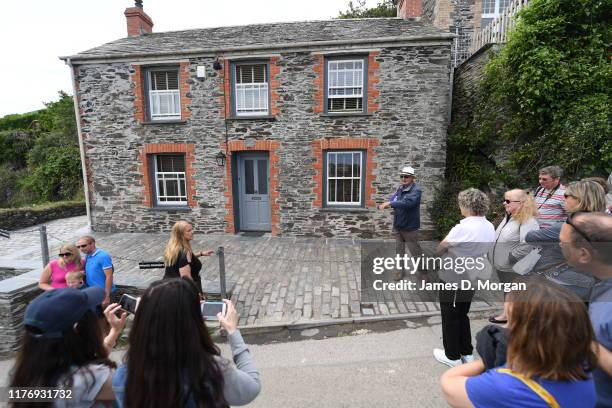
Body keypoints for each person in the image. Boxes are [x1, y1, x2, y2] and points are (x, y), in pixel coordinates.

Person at [440, 279, 597, 408]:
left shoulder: (508, 385)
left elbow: (449, 384)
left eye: (510, 321)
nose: (504, 328)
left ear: (524, 333)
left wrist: (497, 353)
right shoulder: (584, 364)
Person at [112, 278, 261, 407]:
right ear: (193, 322)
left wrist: (149, 319)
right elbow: (252, 387)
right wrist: (233, 331)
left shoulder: (124, 376)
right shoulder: (212, 371)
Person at [9, 287, 127, 407]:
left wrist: (114, 333)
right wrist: (144, 323)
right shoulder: (92, 379)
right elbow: (139, 390)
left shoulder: (28, 374)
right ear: (78, 329)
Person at [434, 188, 495, 367]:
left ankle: (452, 356)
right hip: (473, 274)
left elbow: (440, 248)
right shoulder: (489, 225)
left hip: (454, 276)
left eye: (461, 204)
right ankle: (466, 352)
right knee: (462, 313)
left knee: (450, 314)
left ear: (467, 205)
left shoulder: (463, 227)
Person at [559, 212, 612, 407]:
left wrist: (586, 340)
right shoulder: (602, 285)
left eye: (562, 243)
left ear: (584, 254)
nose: (559, 247)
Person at [526, 180, 605, 300]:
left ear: (580, 199)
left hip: (563, 282)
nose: (564, 199)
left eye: (567, 196)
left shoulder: (570, 226)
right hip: (588, 282)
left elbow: (530, 237)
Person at [489, 189, 539, 323]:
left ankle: (515, 321)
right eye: (504, 200)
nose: (504, 203)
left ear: (521, 203)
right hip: (504, 266)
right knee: (508, 292)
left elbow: (529, 243)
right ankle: (507, 315)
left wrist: (511, 257)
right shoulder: (509, 217)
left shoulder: (527, 220)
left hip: (514, 267)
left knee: (515, 294)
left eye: (508, 201)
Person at [378, 165, 424, 280]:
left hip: (410, 227)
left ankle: (423, 273)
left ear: (412, 178)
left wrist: (390, 204)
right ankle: (400, 271)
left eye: (406, 176)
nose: (403, 178)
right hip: (398, 226)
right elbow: (394, 199)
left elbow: (407, 203)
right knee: (399, 251)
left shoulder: (416, 190)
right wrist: (388, 202)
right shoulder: (400, 188)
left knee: (415, 252)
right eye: (402, 176)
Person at [163, 221, 213, 295]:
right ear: (180, 235)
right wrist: (197, 294)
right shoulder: (184, 253)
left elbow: (185, 260)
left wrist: (201, 253)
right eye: (189, 231)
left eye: (192, 229)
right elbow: (187, 280)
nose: (192, 232)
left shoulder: (174, 248)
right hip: (180, 292)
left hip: (169, 287)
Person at [77, 235, 116, 307]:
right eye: (78, 247)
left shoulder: (103, 256)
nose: (81, 249)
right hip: (94, 293)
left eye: (83, 246)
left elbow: (109, 276)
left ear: (92, 244)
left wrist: (107, 296)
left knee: (107, 316)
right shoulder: (88, 255)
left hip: (104, 293)